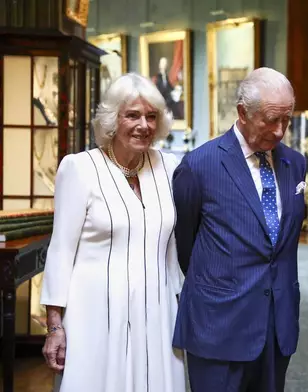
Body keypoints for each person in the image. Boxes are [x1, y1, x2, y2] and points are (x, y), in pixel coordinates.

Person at [40, 73, 187, 392]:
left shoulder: (169, 167)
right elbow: (61, 251)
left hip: (159, 313)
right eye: (132, 115)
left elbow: (173, 248)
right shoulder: (79, 169)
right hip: (95, 315)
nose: (144, 125)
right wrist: (55, 326)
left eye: (151, 116)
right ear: (112, 120)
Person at [172, 67, 306, 392]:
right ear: (243, 113)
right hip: (219, 325)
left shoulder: (294, 163)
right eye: (271, 120)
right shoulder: (199, 166)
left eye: (286, 120)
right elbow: (186, 245)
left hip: (277, 324)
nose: (279, 131)